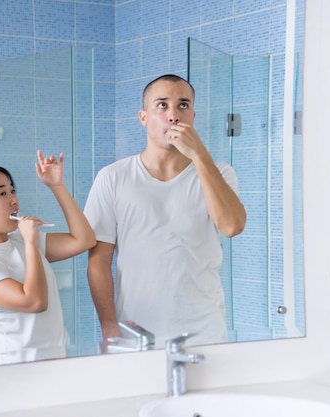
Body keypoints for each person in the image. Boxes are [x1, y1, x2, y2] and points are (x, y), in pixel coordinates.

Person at [84, 74, 247, 348]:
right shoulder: (113, 178)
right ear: (143, 116)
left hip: (204, 332)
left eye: (183, 105)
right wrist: (109, 327)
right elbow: (98, 263)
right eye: (162, 105)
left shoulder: (219, 173)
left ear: (193, 115)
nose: (173, 115)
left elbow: (232, 226)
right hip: (136, 333)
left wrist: (200, 155)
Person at [0, 150, 96, 364]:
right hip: (14, 373)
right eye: (2, 194)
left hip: (54, 362)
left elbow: (84, 240)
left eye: (12, 191)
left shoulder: (19, 240)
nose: (14, 200)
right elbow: (34, 301)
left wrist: (56, 186)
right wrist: (32, 242)